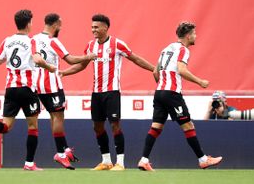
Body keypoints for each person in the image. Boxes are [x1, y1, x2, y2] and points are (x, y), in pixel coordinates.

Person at [59, 14, 155, 171]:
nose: (93, 30)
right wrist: (64, 72)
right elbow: (82, 65)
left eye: (96, 27)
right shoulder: (90, 46)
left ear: (105, 27)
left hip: (112, 92)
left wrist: (153, 68)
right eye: (92, 27)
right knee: (97, 127)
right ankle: (105, 161)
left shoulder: (117, 44)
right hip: (96, 93)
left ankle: (120, 163)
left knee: (115, 125)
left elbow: (135, 58)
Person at [0, 9, 56, 171]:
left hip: (11, 89)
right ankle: (29, 163)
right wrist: (49, 66)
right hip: (27, 88)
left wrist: (10, 59)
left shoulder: (7, 41)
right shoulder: (31, 41)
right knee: (33, 127)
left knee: (6, 126)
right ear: (29, 23)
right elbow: (37, 58)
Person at [137, 21, 223, 171]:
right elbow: (182, 70)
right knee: (188, 125)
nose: (196, 36)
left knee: (156, 127)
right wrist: (200, 81)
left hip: (159, 93)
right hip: (172, 94)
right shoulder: (183, 50)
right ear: (188, 36)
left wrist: (161, 88)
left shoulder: (165, 49)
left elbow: (155, 72)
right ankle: (203, 160)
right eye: (194, 34)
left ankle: (144, 160)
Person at [32, 13, 97, 170]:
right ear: (55, 25)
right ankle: (61, 153)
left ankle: (64, 149)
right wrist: (89, 56)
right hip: (52, 85)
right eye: (60, 25)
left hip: (37, 85)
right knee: (59, 117)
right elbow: (70, 59)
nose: (60, 28)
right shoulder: (53, 41)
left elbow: (35, 58)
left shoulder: (33, 39)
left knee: (53, 116)